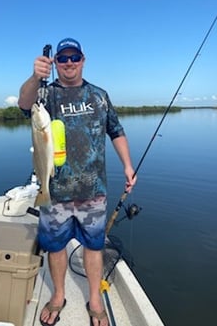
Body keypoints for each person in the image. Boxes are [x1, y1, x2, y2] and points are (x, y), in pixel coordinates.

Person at [18, 38, 137, 326]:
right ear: (55, 63)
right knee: (55, 248)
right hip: (55, 191)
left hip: (93, 191)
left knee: (94, 247)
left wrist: (128, 166)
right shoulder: (45, 96)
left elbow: (116, 131)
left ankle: (94, 298)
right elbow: (24, 103)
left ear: (83, 60)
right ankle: (58, 295)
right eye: (63, 58)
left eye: (74, 57)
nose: (69, 63)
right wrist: (35, 77)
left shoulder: (99, 95)